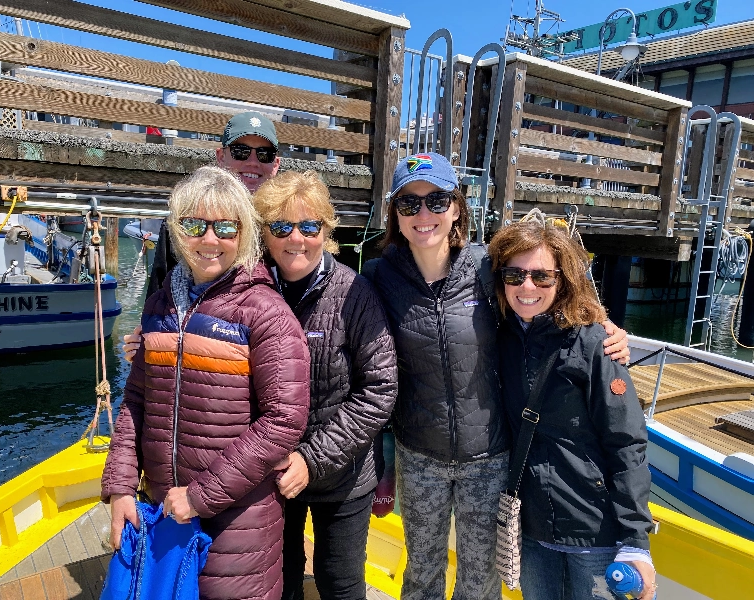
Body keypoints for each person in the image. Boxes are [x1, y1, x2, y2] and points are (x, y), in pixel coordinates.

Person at [362, 152, 630, 600]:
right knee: (422, 572)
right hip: (419, 453)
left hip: (489, 457)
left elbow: (548, 293)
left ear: (457, 208)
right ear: (395, 213)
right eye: (409, 204)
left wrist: (603, 324)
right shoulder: (377, 276)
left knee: (479, 579)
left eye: (437, 200)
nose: (423, 214)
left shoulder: (487, 267)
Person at [102, 165, 310, 600]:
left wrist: (199, 497)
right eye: (195, 224)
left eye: (225, 227)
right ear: (177, 230)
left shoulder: (264, 311)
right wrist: (121, 486)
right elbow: (136, 399)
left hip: (239, 527)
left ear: (244, 232)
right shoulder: (160, 306)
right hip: (165, 513)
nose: (210, 240)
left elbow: (284, 420)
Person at [488, 218, 655, 600]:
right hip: (531, 528)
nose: (527, 287)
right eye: (514, 275)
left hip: (593, 531)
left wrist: (635, 542)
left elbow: (627, 443)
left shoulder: (596, 343)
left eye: (542, 276)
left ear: (562, 280)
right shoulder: (499, 335)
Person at [252, 170, 398, 600]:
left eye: (309, 226)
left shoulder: (356, 293)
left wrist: (311, 461)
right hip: (271, 472)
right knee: (281, 579)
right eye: (281, 227)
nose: (295, 238)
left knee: (341, 581)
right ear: (264, 233)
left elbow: (379, 388)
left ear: (326, 231)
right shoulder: (250, 291)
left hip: (345, 474)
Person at [147, 111, 281, 298]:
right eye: (240, 152)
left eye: (264, 154)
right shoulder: (183, 218)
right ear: (220, 157)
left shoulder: (287, 226)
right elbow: (157, 296)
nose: (252, 162)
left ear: (275, 165)